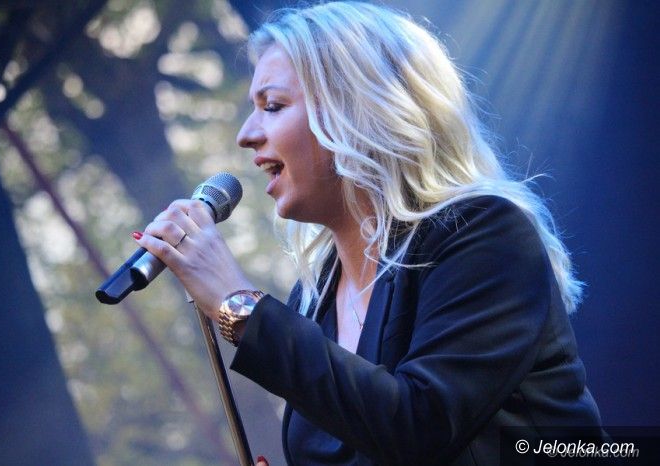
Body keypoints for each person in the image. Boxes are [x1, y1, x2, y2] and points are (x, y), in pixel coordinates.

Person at [133, 2, 604, 464]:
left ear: (356, 110)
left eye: (273, 106)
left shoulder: (484, 234)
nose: (246, 134)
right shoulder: (314, 297)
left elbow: (419, 426)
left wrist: (239, 304)